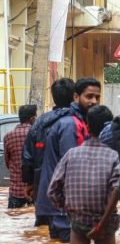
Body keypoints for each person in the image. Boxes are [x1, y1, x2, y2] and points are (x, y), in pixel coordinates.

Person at [47, 106, 120, 244]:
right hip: (104, 222)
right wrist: (101, 223)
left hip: (78, 220)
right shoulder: (114, 156)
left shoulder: (71, 154)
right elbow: (116, 189)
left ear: (87, 127)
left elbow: (52, 191)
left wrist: (69, 209)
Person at [35, 77, 101, 243]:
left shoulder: (74, 120)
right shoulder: (70, 124)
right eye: (89, 96)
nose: (94, 101)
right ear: (76, 97)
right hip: (64, 205)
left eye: (97, 97)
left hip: (59, 204)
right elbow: (72, 166)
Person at [22, 78, 75, 225]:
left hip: (42, 187)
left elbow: (27, 156)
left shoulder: (39, 122)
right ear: (74, 96)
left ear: (53, 97)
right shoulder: (77, 120)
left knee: (44, 231)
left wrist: (29, 182)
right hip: (71, 188)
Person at [4, 105, 36, 208]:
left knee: (13, 219)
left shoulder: (8, 136)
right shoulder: (37, 134)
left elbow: (7, 162)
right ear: (32, 118)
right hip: (33, 190)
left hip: (15, 191)